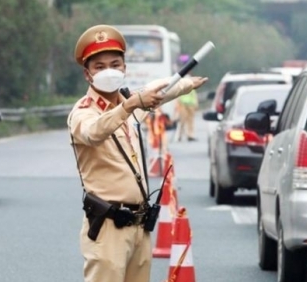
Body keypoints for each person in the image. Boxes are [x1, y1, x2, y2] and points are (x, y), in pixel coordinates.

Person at [67, 24, 208, 282]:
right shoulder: (83, 112)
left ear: (124, 68)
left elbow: (158, 91)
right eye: (99, 67)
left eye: (115, 64)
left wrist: (186, 84)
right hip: (108, 228)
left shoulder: (129, 105)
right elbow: (94, 132)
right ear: (87, 75)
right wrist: (130, 105)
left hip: (139, 226)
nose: (108, 71)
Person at [175, 55, 199, 142]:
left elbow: (193, 92)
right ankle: (180, 135)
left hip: (190, 103)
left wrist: (195, 102)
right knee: (182, 121)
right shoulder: (180, 78)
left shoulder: (190, 78)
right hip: (183, 103)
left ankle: (190, 135)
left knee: (190, 120)